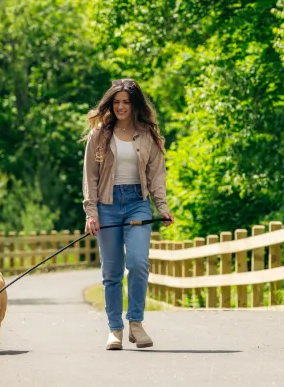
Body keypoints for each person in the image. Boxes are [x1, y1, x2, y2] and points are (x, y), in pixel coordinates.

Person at [81, 78, 174, 350]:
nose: (121, 107)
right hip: (107, 205)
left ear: (135, 105)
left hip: (138, 203)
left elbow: (156, 176)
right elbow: (90, 177)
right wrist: (91, 212)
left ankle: (136, 323)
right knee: (111, 271)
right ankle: (115, 329)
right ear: (110, 104)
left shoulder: (147, 134)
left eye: (126, 102)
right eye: (116, 102)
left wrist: (163, 207)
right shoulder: (99, 135)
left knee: (138, 262)